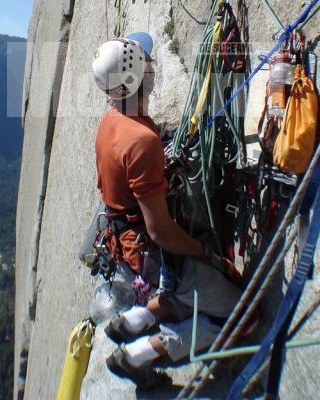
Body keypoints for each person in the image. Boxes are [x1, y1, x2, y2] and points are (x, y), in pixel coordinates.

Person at [92, 32, 245, 389]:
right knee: (240, 316)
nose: (151, 68)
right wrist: (205, 253)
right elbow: (160, 231)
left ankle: (131, 322)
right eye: (146, 64)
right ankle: (136, 356)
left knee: (183, 287)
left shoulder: (112, 121)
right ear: (137, 76)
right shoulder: (141, 140)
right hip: (153, 246)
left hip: (128, 238)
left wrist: (161, 169)